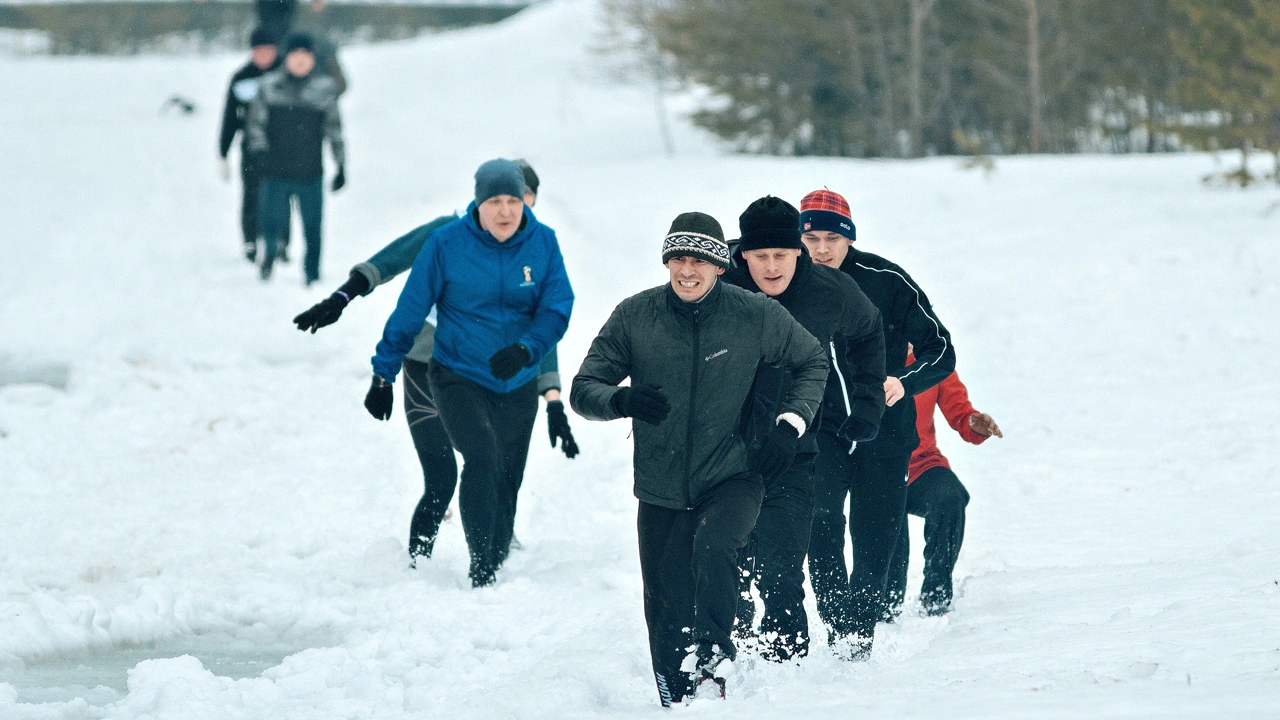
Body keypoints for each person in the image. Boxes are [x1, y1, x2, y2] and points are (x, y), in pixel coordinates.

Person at [570, 212, 827, 705]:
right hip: (660, 485)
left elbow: (811, 360)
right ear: (667, 262)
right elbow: (586, 388)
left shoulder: (753, 314)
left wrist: (788, 425)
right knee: (664, 603)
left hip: (733, 472)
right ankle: (673, 694)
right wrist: (620, 401)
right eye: (678, 259)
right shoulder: (635, 316)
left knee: (714, 548)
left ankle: (713, 661)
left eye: (699, 261)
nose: (687, 271)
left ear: (719, 266)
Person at [292, 161, 576, 563]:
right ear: (482, 200)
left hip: (500, 374)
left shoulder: (534, 249)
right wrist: (341, 298)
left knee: (500, 468)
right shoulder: (448, 234)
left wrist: (551, 395)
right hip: (430, 367)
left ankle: (495, 545)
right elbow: (389, 262)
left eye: (523, 198)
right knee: (443, 477)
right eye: (502, 199)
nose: (514, 208)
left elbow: (544, 325)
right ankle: (418, 562)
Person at [367, 159, 573, 588]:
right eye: (494, 201)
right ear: (478, 204)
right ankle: (481, 568)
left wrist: (526, 350)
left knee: (509, 475)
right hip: (457, 372)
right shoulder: (446, 243)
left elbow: (556, 308)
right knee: (481, 459)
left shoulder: (544, 244)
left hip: (517, 378)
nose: (505, 211)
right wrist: (383, 373)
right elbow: (411, 308)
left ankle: (497, 556)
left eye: (513, 201)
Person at [721, 196, 886, 662]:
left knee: (783, 562)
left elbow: (871, 332)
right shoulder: (721, 284)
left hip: (796, 439)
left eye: (782, 255)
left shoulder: (830, 290)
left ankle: (787, 662)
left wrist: (869, 404)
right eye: (760, 257)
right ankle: (735, 650)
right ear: (743, 256)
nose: (771, 267)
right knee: (732, 558)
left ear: (799, 251)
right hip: (725, 445)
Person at [800, 188, 957, 660]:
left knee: (876, 532)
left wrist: (903, 381)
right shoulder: (785, 281)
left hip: (884, 430)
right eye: (811, 239)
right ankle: (836, 619)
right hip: (819, 429)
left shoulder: (887, 280)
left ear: (849, 238)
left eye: (831, 238)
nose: (821, 249)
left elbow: (942, 349)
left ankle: (858, 634)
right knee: (821, 522)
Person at [885, 350, 1001, 616]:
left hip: (921, 466)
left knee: (950, 497)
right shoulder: (868, 352)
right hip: (877, 470)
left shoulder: (933, 359)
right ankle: (884, 607)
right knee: (887, 585)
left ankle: (935, 596)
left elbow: (961, 413)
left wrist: (976, 423)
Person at [245, 32, 345, 285]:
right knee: (270, 221)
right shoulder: (269, 86)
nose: (300, 60)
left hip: (310, 171)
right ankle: (268, 256)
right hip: (275, 170)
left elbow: (334, 129)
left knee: (312, 226)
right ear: (286, 57)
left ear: (312, 58)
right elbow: (255, 124)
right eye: (295, 55)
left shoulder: (324, 89)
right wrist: (259, 152)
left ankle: (312, 272)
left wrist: (341, 164)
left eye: (306, 55)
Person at [218, 26, 285, 262]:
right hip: (251, 149)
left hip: (282, 147)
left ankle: (282, 242)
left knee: (281, 195)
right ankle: (250, 240)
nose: (264, 55)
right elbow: (230, 118)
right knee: (252, 194)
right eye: (259, 50)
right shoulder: (241, 78)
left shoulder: (285, 75)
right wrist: (223, 152)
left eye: (268, 50)